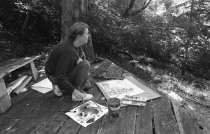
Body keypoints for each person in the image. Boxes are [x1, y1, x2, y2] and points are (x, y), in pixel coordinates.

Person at [45, 22, 93, 101]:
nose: (89, 35)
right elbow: (60, 76)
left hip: (59, 73)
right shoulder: (68, 51)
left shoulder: (76, 44)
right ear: (79, 36)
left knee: (87, 83)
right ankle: (77, 95)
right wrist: (75, 92)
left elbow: (81, 57)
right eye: (87, 33)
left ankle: (64, 87)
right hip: (56, 77)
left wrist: (80, 59)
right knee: (86, 65)